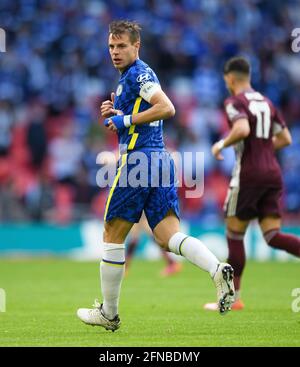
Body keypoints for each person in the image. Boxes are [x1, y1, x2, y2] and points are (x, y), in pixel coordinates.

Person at [77, 20, 234, 332]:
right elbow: (136, 116)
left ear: (137, 46)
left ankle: (109, 313)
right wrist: (117, 114)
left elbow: (167, 107)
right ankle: (216, 269)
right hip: (160, 160)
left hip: (138, 161)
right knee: (167, 237)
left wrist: (126, 120)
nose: (115, 52)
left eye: (121, 46)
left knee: (111, 235)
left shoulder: (139, 73)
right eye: (111, 46)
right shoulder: (128, 79)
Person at [204, 56, 300, 311]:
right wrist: (264, 150)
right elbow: (286, 138)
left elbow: (243, 129)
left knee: (235, 235)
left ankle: (232, 300)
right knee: (273, 235)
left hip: (248, 175)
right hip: (272, 174)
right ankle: (233, 298)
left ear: (230, 78)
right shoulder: (267, 102)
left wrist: (220, 144)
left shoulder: (235, 101)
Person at [125, 212, 183, 277]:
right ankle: (172, 263)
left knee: (138, 234)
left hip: (139, 208)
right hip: (138, 209)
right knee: (136, 235)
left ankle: (172, 263)